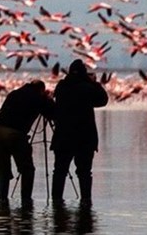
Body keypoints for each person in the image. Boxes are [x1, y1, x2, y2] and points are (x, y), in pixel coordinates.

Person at [50, 59, 108, 205]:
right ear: (84, 73)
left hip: (63, 137)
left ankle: (56, 202)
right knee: (84, 172)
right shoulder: (87, 87)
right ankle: (86, 201)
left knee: (59, 171)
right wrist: (94, 82)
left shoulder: (61, 86)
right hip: (85, 138)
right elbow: (102, 100)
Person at [0, 80, 55, 207]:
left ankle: (1, 201)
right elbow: (53, 113)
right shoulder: (38, 97)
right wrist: (48, 99)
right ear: (41, 90)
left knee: (2, 169)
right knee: (27, 169)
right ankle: (26, 201)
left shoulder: (14, 93)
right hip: (15, 133)